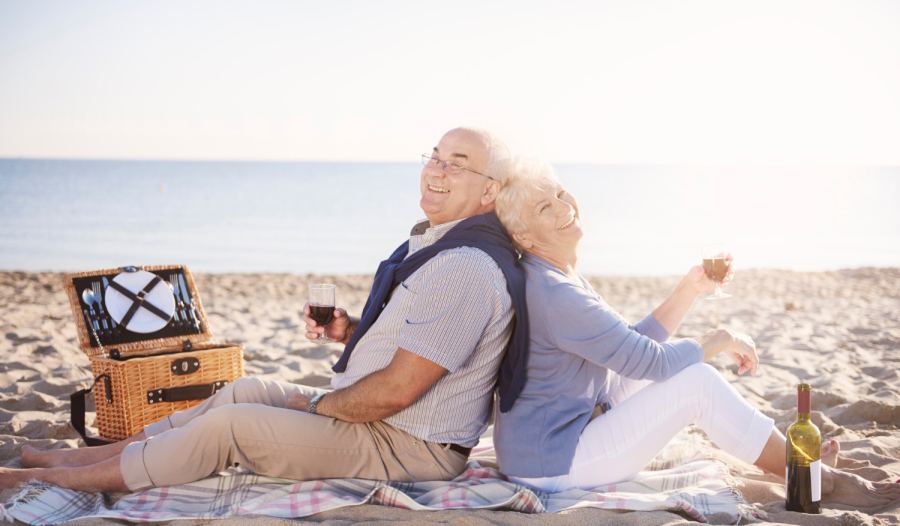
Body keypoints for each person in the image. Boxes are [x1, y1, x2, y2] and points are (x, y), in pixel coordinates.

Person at [1, 127, 528, 493]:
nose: (436, 170)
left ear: (490, 190)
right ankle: (85, 456)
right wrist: (349, 330)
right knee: (246, 390)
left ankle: (60, 478)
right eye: (435, 156)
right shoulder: (441, 246)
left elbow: (397, 391)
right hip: (381, 420)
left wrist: (318, 407)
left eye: (457, 164)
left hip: (407, 445)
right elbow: (420, 343)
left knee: (230, 426)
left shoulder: (465, 266)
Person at [491, 156, 900, 508]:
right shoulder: (556, 293)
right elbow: (651, 362)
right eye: (545, 206)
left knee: (685, 371)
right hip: (550, 463)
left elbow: (630, 346)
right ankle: (817, 479)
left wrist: (690, 288)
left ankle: (798, 467)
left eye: (560, 192)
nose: (565, 206)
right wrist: (721, 338)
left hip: (561, 432)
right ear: (523, 235)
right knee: (697, 383)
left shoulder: (555, 274)